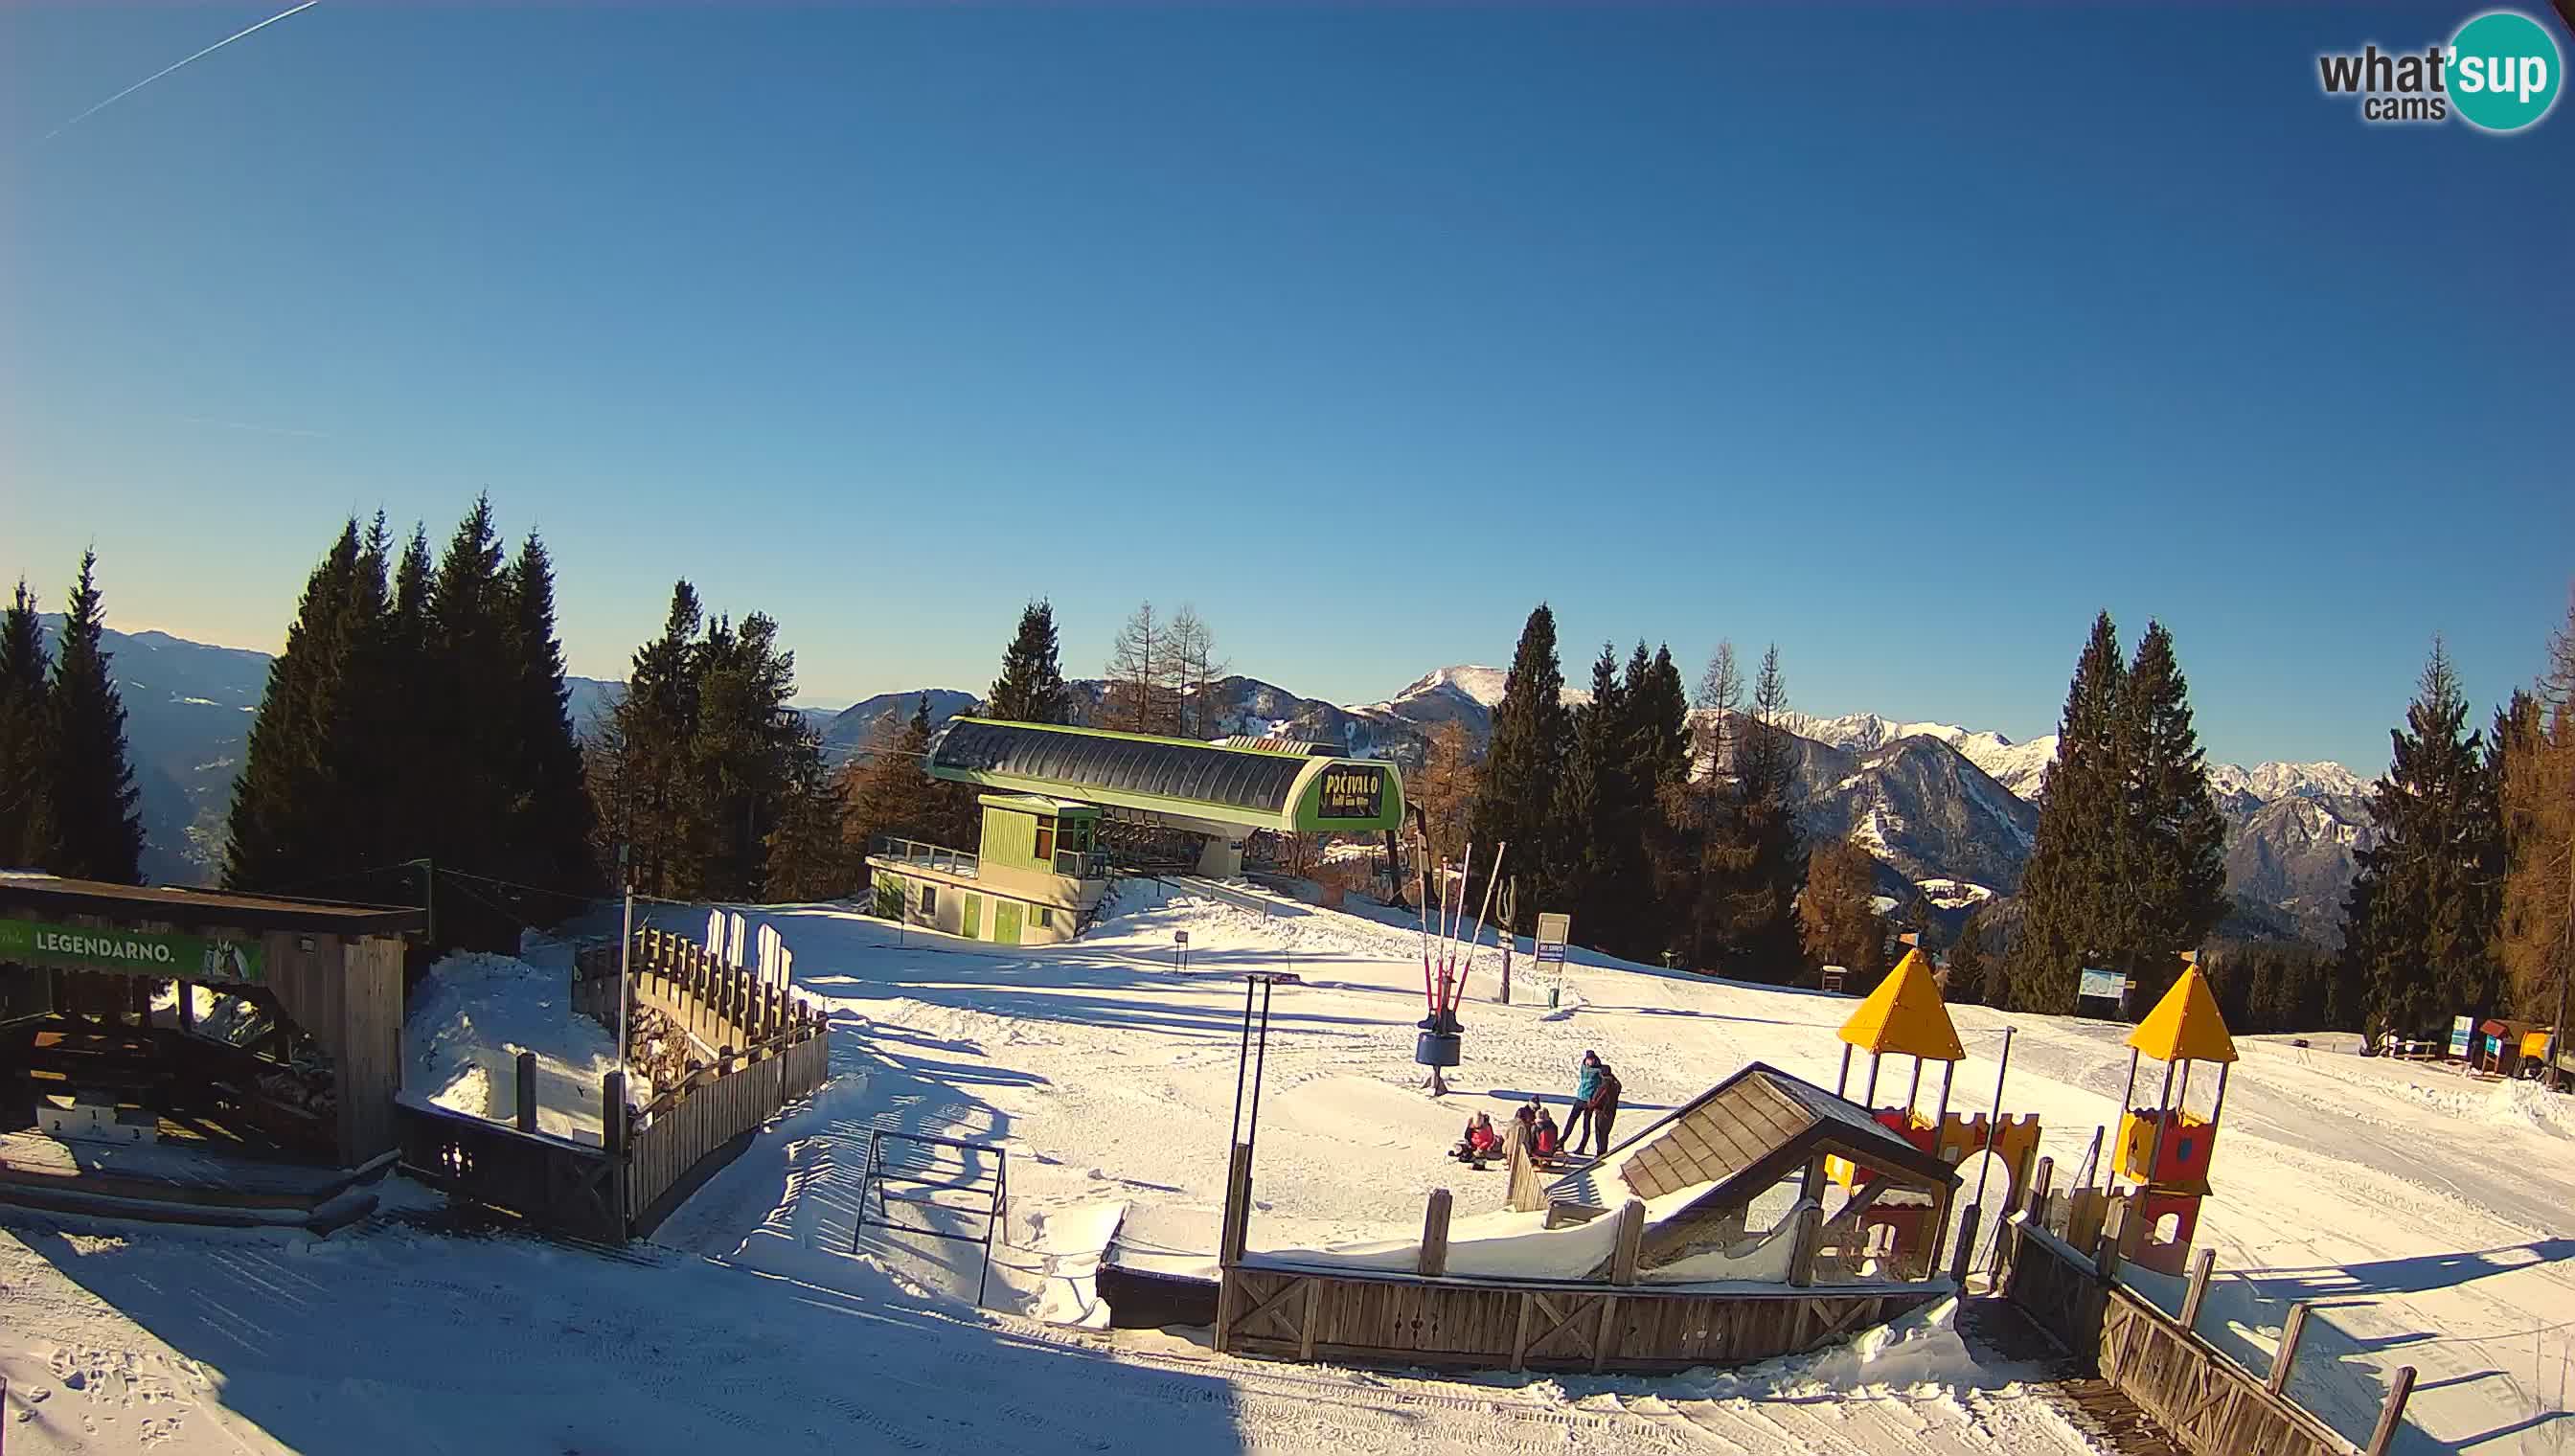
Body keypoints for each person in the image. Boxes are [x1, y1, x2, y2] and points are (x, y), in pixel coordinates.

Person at [1564, 1051, 1604, 1153]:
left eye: (1591, 1059)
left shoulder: (1598, 1071)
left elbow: (1601, 1085)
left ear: (1594, 1060)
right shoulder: (1583, 1066)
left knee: (1586, 1124)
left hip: (1589, 1101)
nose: (1588, 1061)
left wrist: (1594, 1098)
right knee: (1571, 1120)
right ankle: (1562, 1141)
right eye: (1587, 1059)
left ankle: (1582, 1146)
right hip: (1580, 1098)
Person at [1585, 1059, 1623, 1155]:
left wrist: (1590, 1103)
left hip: (1602, 1112)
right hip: (1611, 1111)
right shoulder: (1615, 1084)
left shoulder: (1605, 1085)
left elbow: (1597, 1099)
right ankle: (1603, 1152)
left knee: (1600, 1133)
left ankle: (1600, 1153)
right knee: (1605, 1133)